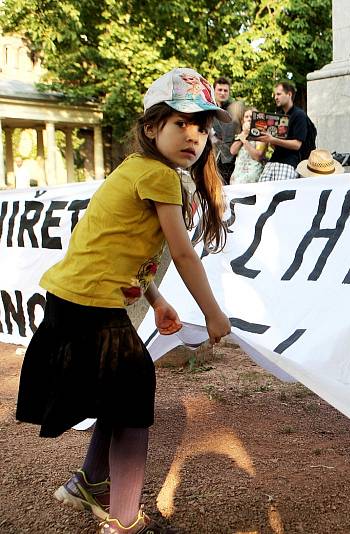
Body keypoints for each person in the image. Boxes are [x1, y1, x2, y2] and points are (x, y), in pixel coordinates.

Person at [15, 67, 232, 534]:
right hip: (90, 304)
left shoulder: (142, 170)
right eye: (181, 123)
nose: (193, 135)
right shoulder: (157, 175)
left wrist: (155, 299)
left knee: (121, 395)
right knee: (134, 399)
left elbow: (123, 246)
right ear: (152, 127)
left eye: (203, 126)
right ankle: (124, 523)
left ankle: (89, 485)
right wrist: (213, 313)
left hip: (80, 299)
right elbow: (181, 252)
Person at [257, 81, 308, 181]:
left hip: (289, 164)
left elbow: (297, 145)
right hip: (272, 162)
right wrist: (266, 137)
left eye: (279, 94)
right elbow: (275, 145)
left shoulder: (299, 115)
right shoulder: (278, 115)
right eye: (275, 94)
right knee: (261, 194)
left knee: (281, 196)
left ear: (289, 94)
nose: (275, 97)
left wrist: (272, 139)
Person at [229, 106, 267, 184]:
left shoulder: (261, 135)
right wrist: (244, 133)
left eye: (252, 117)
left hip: (252, 178)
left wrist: (244, 140)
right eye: (246, 117)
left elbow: (258, 156)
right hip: (237, 176)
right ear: (243, 120)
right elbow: (233, 151)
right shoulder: (241, 134)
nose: (249, 119)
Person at [211, 76, 237, 184]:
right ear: (214, 91)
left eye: (225, 90)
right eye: (220, 90)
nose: (222, 93)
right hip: (211, 156)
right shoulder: (208, 110)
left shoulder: (234, 110)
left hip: (230, 159)